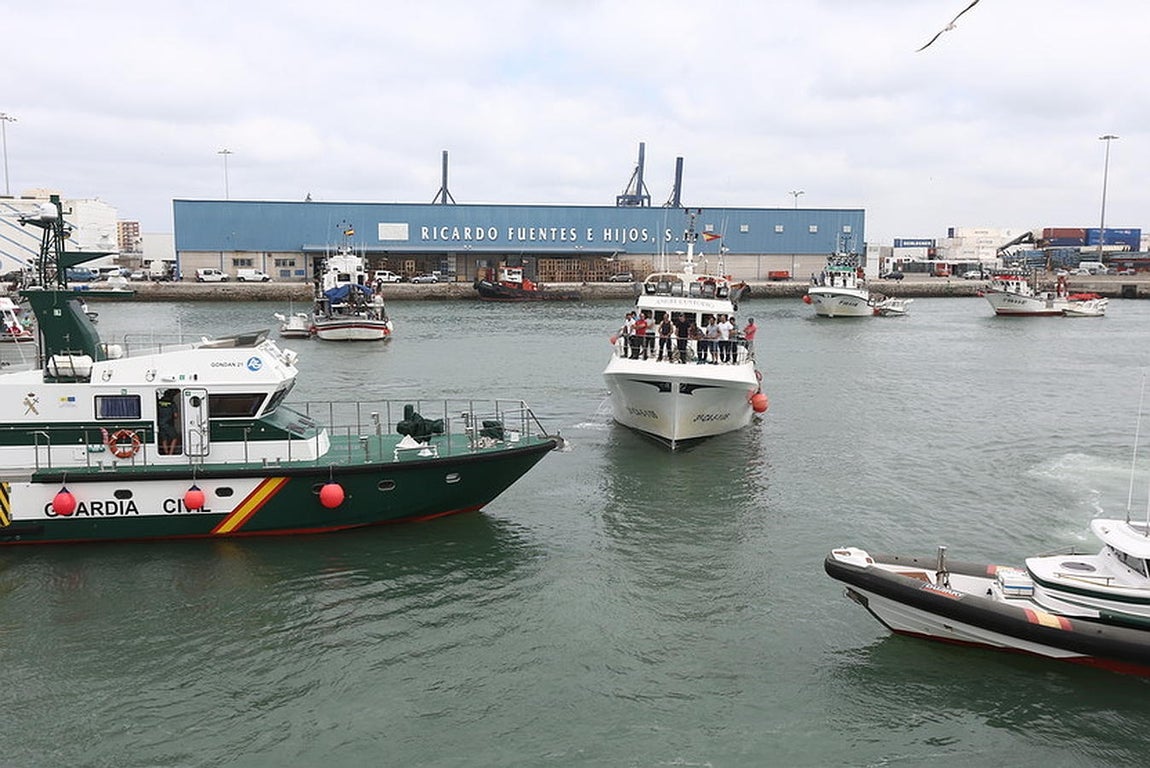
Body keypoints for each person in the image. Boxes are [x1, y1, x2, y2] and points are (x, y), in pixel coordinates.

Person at [157, 388, 182, 455]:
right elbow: (175, 415)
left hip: (160, 423)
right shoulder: (172, 403)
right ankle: (170, 453)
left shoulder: (159, 402)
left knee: (164, 439)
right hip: (168, 424)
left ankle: (166, 452)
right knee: (175, 438)